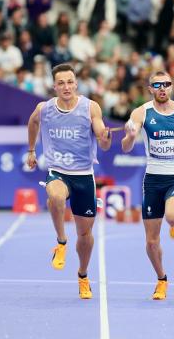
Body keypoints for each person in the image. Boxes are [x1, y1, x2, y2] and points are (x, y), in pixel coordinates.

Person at [27, 63, 112, 299]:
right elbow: (33, 123)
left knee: (85, 237)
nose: (66, 86)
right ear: (54, 86)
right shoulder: (44, 109)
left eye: (70, 82)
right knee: (54, 195)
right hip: (58, 170)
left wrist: (105, 137)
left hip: (84, 176)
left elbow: (102, 141)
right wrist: (31, 150)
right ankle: (61, 242)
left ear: (76, 84)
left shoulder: (90, 107)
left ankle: (83, 275)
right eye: (61, 83)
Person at [122, 71, 174, 300]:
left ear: (172, 87)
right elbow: (126, 147)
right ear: (150, 89)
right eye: (157, 85)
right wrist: (130, 135)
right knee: (150, 242)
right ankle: (161, 279)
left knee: (172, 216)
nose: (162, 88)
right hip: (153, 180)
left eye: (166, 84)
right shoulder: (141, 112)